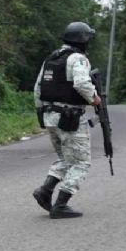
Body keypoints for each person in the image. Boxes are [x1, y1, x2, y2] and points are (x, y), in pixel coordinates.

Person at [32, 21, 102, 219]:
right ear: (84, 40)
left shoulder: (51, 58)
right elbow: (81, 83)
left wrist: (42, 115)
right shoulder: (78, 59)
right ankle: (61, 204)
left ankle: (45, 191)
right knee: (81, 162)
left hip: (50, 116)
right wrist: (95, 99)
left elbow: (38, 89)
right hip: (70, 118)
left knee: (65, 159)